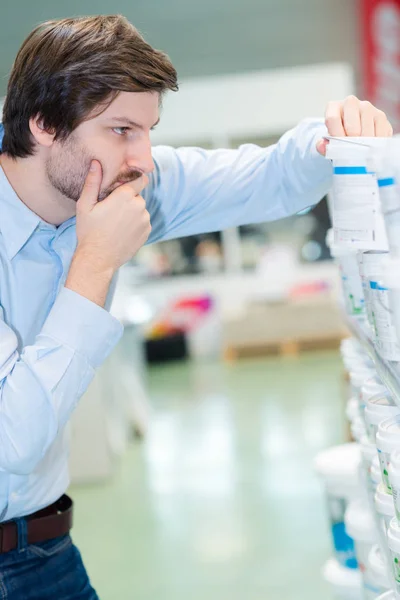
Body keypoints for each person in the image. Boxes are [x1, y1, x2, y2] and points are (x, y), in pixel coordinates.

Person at [0, 13, 392, 600]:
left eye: (148, 130)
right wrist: (94, 264)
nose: (145, 159)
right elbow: (12, 441)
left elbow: (267, 179)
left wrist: (334, 135)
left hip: (44, 548)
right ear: (44, 124)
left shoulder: (120, 182)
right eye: (122, 130)